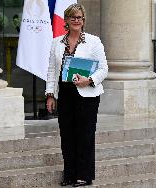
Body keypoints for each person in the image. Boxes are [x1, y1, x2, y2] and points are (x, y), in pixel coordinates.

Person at [45, 3, 108, 187]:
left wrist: (88, 80)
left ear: (83, 20)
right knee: (67, 135)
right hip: (64, 93)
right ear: (66, 20)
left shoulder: (93, 41)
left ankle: (84, 175)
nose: (76, 20)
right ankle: (70, 174)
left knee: (85, 135)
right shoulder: (56, 42)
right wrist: (50, 95)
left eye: (79, 17)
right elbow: (51, 71)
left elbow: (104, 69)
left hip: (87, 94)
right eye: (72, 17)